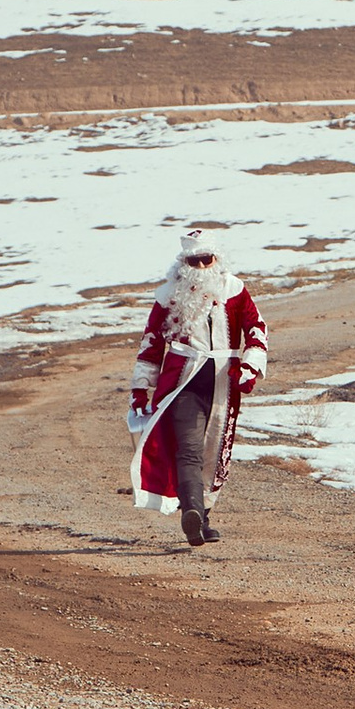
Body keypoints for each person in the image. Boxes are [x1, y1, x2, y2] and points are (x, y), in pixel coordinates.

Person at [127, 228, 268, 546]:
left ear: (216, 259)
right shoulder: (168, 296)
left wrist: (251, 365)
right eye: (195, 261)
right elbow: (151, 345)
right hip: (182, 385)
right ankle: (190, 512)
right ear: (183, 262)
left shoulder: (234, 289)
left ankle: (203, 515)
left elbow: (256, 328)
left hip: (224, 385)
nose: (202, 268)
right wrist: (141, 388)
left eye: (207, 260)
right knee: (189, 450)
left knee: (214, 451)